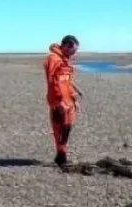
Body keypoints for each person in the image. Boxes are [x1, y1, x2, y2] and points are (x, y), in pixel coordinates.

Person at [43, 35, 84, 166]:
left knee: (67, 127)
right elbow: (53, 81)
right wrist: (58, 101)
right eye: (73, 50)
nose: (74, 53)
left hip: (68, 100)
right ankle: (61, 156)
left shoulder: (66, 60)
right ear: (66, 46)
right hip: (58, 100)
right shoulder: (53, 59)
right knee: (59, 127)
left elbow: (67, 82)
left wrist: (74, 97)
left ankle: (62, 154)